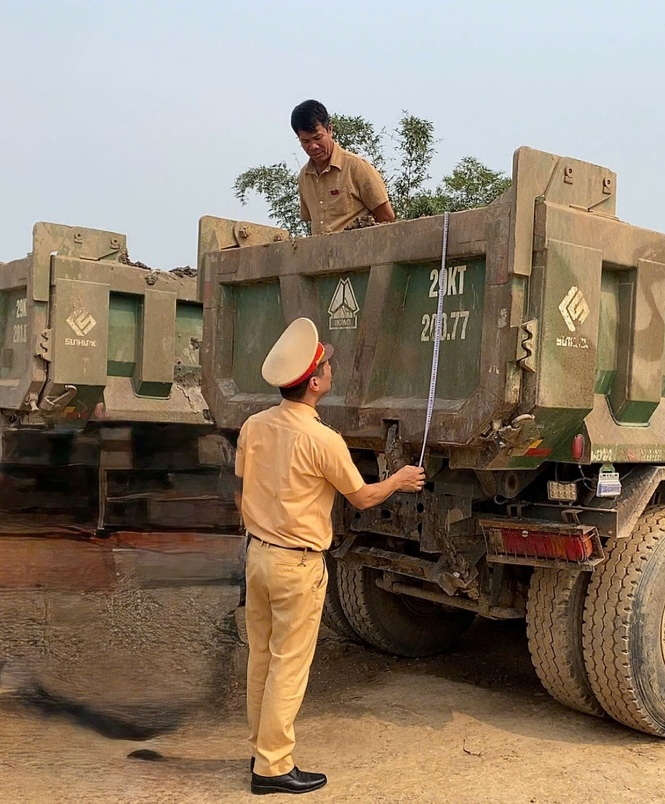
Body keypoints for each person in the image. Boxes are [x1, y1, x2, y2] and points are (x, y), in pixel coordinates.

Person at [236, 317, 424, 795]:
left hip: (257, 555)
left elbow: (242, 489)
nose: (330, 367)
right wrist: (400, 480)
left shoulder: (254, 426)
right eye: (326, 364)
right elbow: (361, 497)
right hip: (296, 565)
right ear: (315, 383)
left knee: (262, 656)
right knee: (289, 663)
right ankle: (273, 768)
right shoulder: (322, 440)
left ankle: (262, 748)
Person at [291, 99, 396, 235]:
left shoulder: (357, 167)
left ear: (329, 129)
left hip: (359, 253)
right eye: (305, 141)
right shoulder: (304, 177)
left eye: (318, 138)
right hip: (322, 254)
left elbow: (386, 218)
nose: (313, 146)